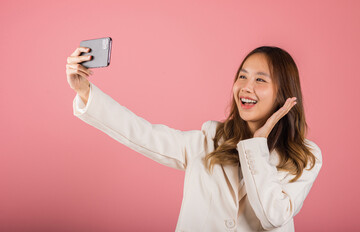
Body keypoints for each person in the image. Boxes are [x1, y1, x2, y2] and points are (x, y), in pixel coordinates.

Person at [66, 46, 322, 232]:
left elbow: (272, 217)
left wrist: (257, 145)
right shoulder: (208, 139)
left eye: (260, 80)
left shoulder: (305, 157)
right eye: (242, 76)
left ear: (285, 93)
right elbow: (143, 134)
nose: (246, 87)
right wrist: (84, 91)